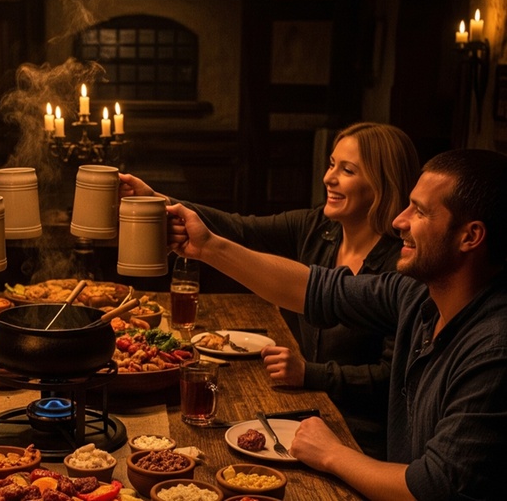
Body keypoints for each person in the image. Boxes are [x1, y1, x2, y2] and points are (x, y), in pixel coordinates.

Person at [166, 148, 507, 500]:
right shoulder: (419, 295)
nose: (399, 221)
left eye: (419, 211)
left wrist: (332, 453)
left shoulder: (493, 350)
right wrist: (207, 247)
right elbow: (311, 289)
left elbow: (432, 488)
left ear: (470, 236)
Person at [120, 122, 420, 458]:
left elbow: (392, 379)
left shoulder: (406, 264)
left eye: (347, 170)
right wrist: (158, 200)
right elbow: (240, 229)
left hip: (359, 435)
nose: (328, 178)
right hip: (302, 409)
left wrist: (311, 373)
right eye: (331, 164)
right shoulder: (318, 227)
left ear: (383, 183)